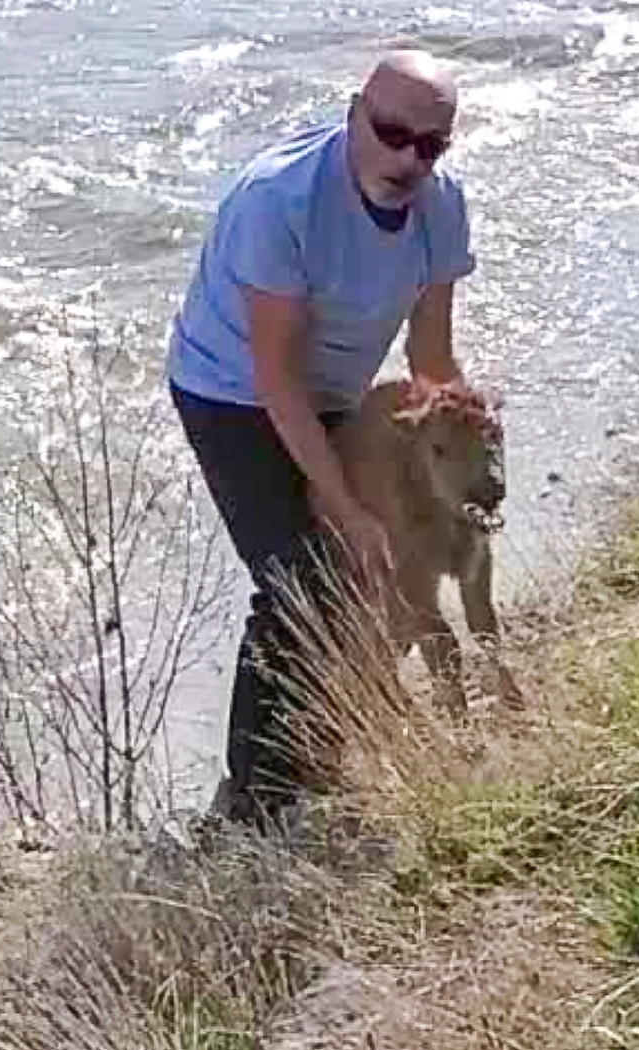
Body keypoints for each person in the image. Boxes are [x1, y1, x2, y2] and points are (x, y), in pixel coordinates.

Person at [165, 48, 478, 828]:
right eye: (391, 131)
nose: (408, 157)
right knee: (304, 576)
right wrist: (346, 508)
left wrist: (465, 434)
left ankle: (325, 747)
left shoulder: (441, 208)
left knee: (392, 561)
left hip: (337, 390)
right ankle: (255, 807)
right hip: (232, 390)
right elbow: (278, 380)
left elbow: (431, 359)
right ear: (354, 114)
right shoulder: (280, 201)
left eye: (429, 145)